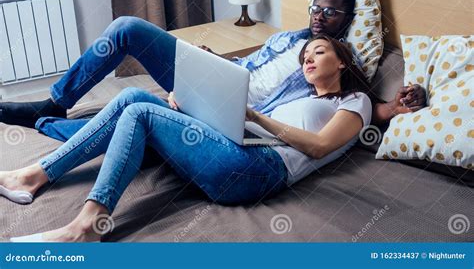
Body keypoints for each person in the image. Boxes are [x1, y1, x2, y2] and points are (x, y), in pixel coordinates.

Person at [5, 33, 373, 242]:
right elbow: (245, 127)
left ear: (342, 61)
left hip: (262, 171)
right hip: (238, 148)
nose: (308, 59)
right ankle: (33, 175)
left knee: (139, 113)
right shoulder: (298, 97)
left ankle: (84, 227)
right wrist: (187, 108)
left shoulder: (358, 101)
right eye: (305, 55)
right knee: (134, 97)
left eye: (319, 52)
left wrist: (256, 115)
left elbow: (321, 146)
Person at [0, 0, 425, 132]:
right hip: (221, 75)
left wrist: (396, 106)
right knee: (127, 27)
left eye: (331, 12)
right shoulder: (290, 36)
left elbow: (361, 104)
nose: (319, 15)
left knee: (136, 108)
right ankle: (55, 103)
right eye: (316, 5)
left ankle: (49, 125)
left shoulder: (336, 58)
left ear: (348, 20)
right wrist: (212, 60)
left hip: (235, 108)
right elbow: (253, 65)